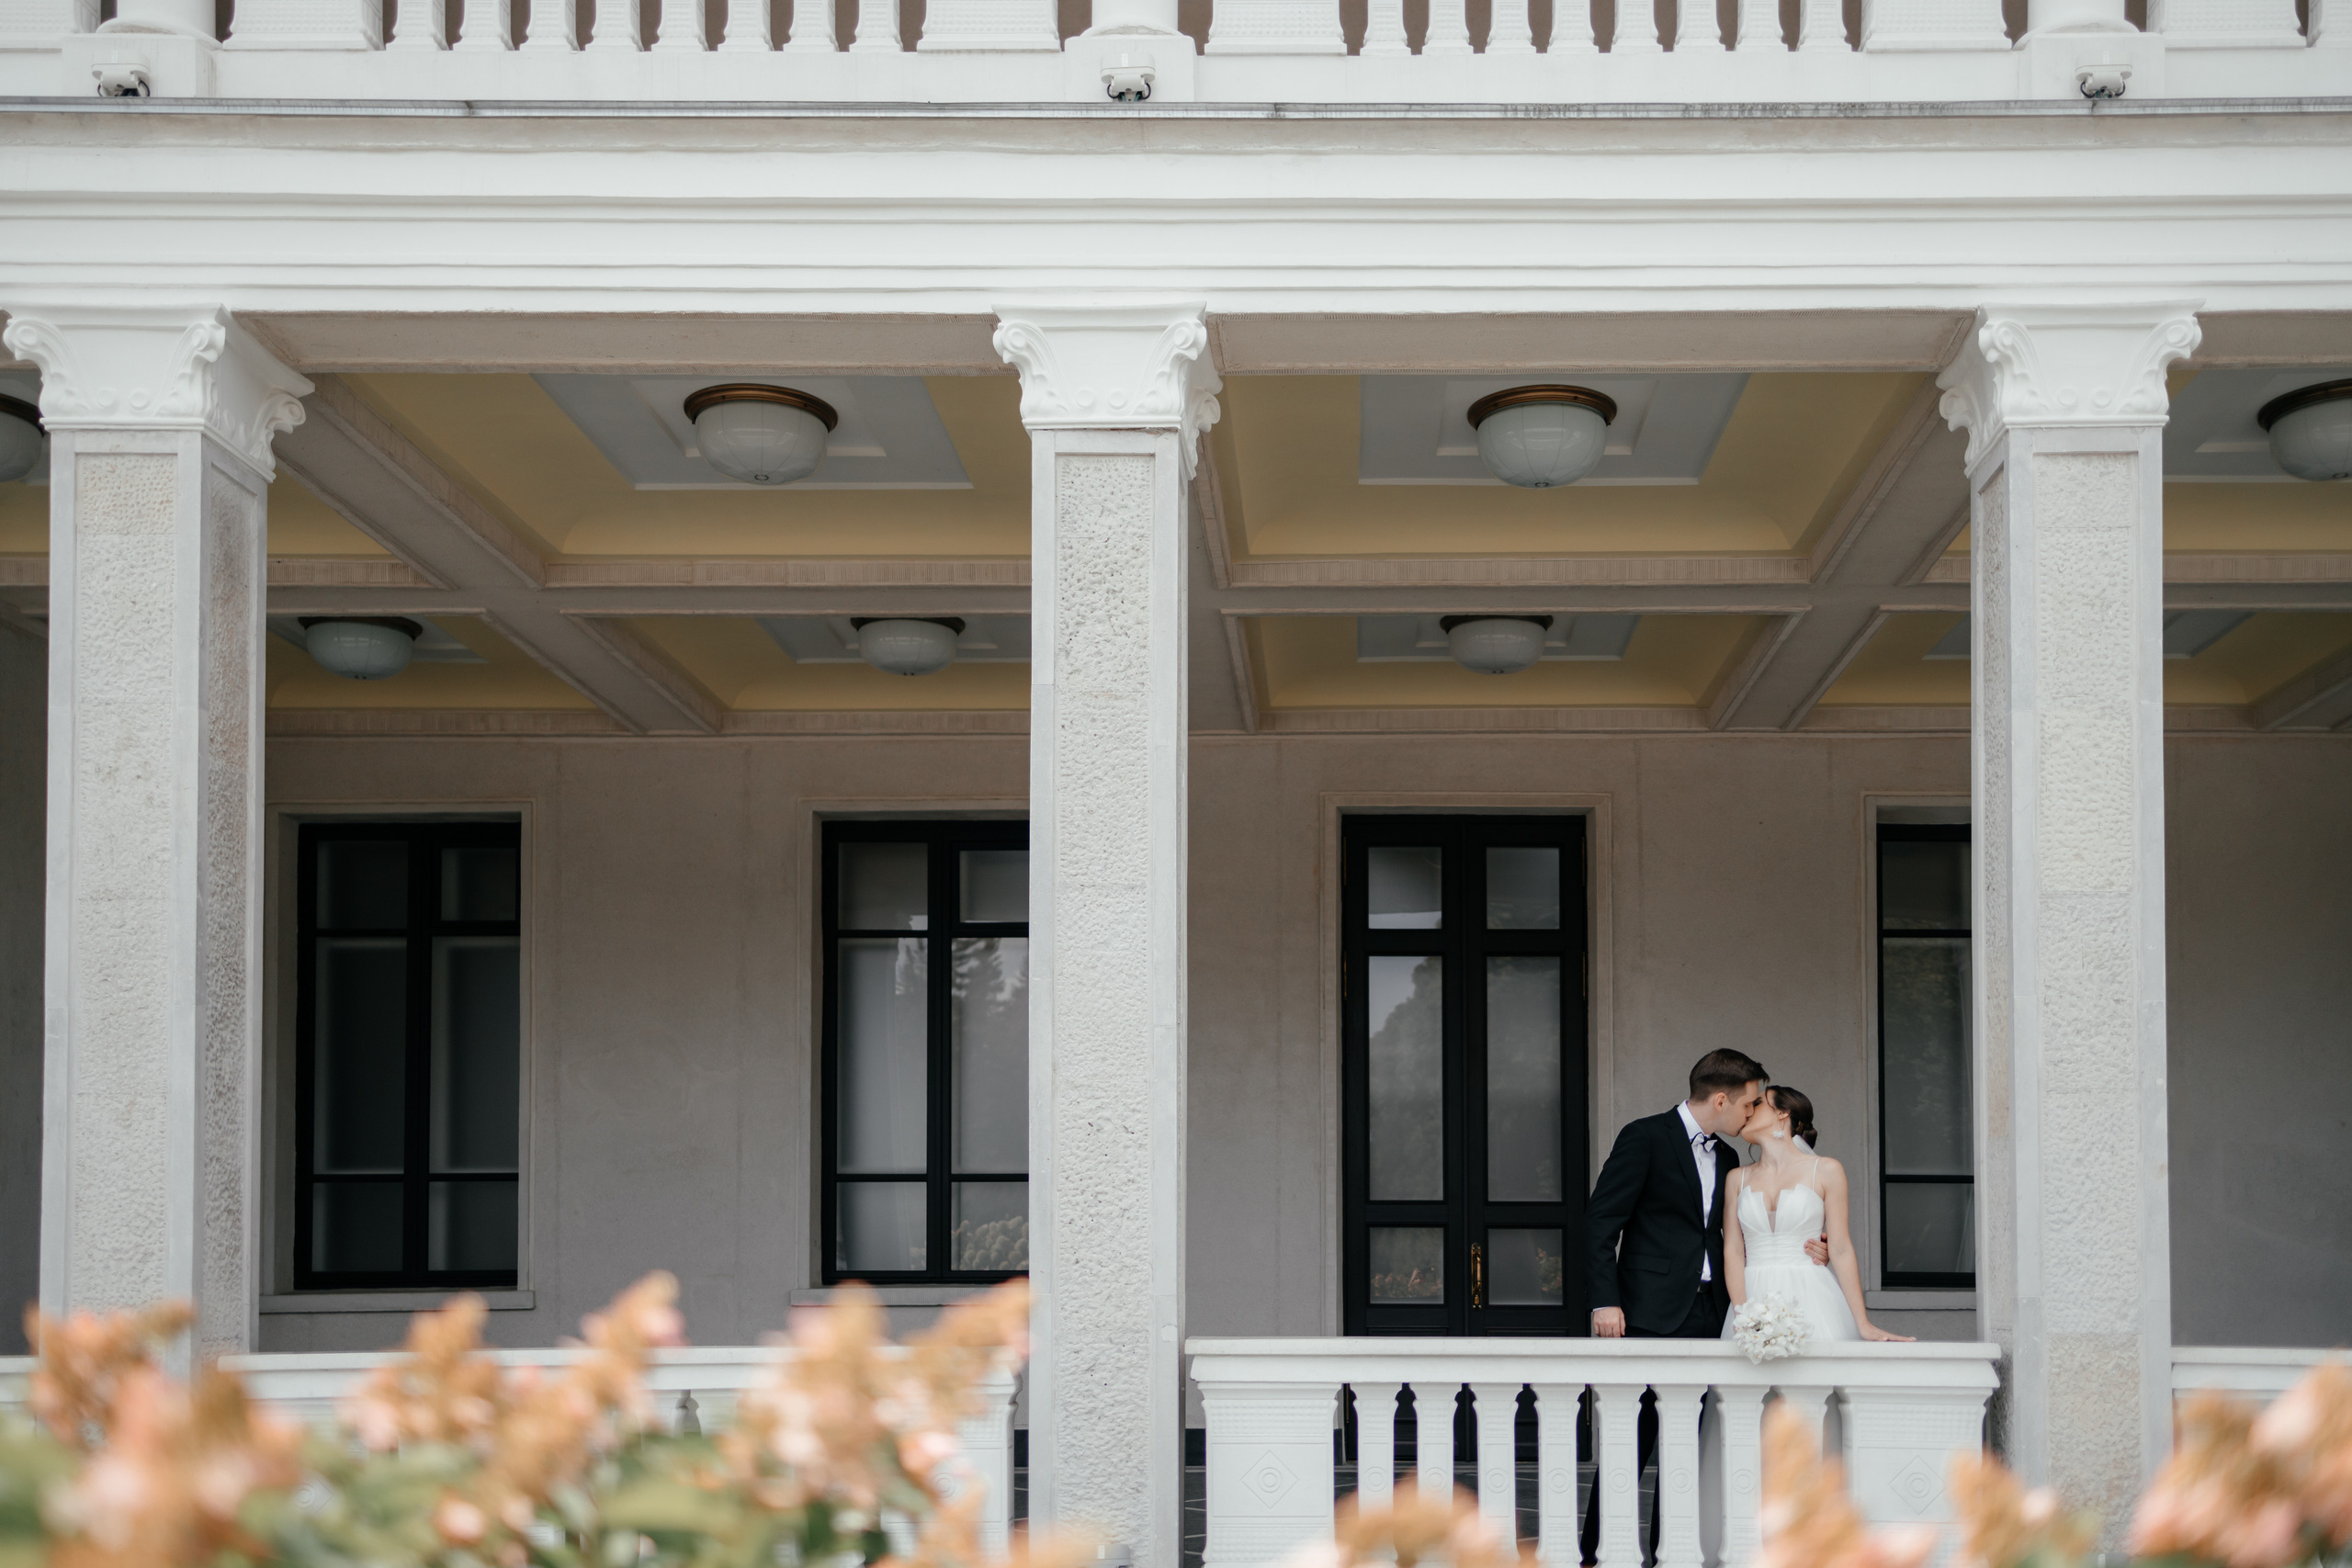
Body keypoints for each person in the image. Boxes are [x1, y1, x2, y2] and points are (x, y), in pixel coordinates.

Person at [1582, 1050, 1829, 1561]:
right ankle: (1597, 1555)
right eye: (1750, 1102)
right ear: (1721, 1098)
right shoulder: (1644, 1137)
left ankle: (1664, 1553)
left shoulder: (1729, 1159)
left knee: (1686, 1447)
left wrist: (1813, 1245)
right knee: (1632, 1442)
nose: (1753, 1111)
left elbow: (1734, 1236)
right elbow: (1600, 1222)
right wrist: (1605, 1301)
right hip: (1646, 1315)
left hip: (1707, 1315)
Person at [1722, 1085, 1914, 1344]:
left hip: (1811, 1294)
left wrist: (1863, 1323)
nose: (1747, 1111)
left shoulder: (1826, 1170)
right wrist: (1742, 1315)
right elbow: (1733, 1250)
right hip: (1750, 1293)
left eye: (1757, 1103)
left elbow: (1841, 1248)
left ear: (1782, 1113)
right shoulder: (1736, 1178)